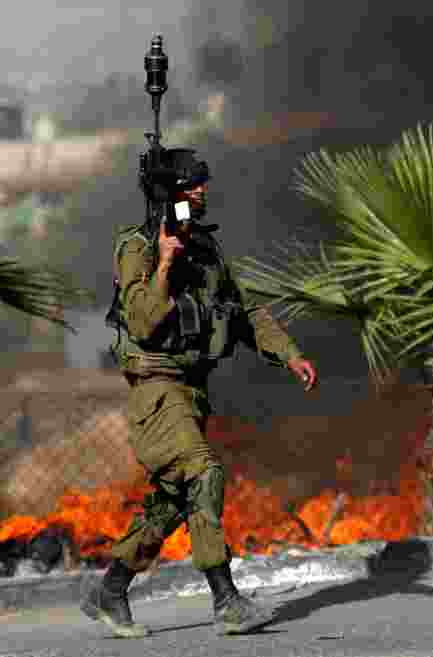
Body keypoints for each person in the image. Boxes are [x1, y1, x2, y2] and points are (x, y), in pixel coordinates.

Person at [82, 147, 318, 638]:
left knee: (173, 502)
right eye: (191, 187)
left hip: (192, 390)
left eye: (201, 185)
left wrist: (289, 354)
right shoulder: (138, 247)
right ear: (169, 194)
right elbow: (144, 320)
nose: (201, 193)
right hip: (156, 388)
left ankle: (110, 590)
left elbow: (246, 312)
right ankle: (226, 599)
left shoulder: (207, 251)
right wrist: (166, 265)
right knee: (205, 473)